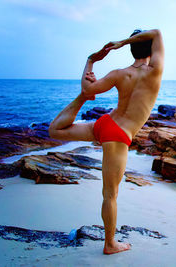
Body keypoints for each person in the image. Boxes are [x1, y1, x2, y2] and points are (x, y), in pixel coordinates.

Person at [48, 29, 164, 254]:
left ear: (132, 49)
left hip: (105, 123)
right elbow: (157, 32)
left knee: (55, 130)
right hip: (118, 135)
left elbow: (88, 87)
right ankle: (110, 244)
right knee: (110, 194)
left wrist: (90, 61)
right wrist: (123, 41)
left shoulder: (119, 73)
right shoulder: (155, 72)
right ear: (151, 49)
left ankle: (82, 102)